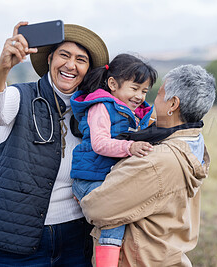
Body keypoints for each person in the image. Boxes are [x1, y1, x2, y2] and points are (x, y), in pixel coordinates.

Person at [0, 21, 109, 266]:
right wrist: (2, 68)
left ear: (88, 69)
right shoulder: (20, 96)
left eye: (81, 60)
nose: (70, 65)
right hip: (18, 243)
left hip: (75, 239)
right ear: (49, 60)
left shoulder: (91, 113)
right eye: (64, 55)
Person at [79, 64, 216, 266]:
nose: (150, 101)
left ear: (173, 104)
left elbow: (97, 208)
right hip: (163, 256)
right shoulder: (192, 139)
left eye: (159, 95)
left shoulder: (157, 161)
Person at [69, 53, 157, 267]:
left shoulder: (134, 113)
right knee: (114, 217)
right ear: (112, 84)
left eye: (144, 91)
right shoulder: (101, 107)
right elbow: (99, 143)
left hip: (107, 179)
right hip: (90, 179)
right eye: (134, 88)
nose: (140, 96)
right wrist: (130, 147)